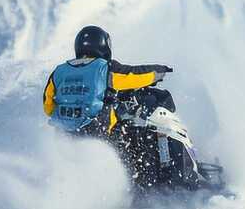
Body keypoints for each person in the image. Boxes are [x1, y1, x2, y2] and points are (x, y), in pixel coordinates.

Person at [42, 25, 174, 137]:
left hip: (63, 134)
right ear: (104, 45)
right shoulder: (104, 68)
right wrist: (159, 72)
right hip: (98, 132)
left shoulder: (58, 71)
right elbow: (134, 76)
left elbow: (48, 107)